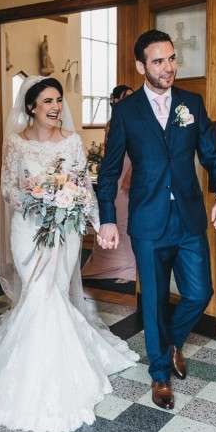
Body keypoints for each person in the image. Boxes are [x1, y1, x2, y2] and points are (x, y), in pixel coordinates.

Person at [0, 76, 139, 432]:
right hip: (28, 229)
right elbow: (8, 188)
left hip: (65, 232)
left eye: (58, 100)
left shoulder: (72, 141)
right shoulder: (16, 143)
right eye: (47, 101)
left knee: (52, 292)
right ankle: (31, 371)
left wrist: (99, 224)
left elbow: (82, 188)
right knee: (38, 292)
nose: (56, 106)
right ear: (31, 107)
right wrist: (35, 201)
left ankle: (54, 369)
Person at [97, 30, 216, 410]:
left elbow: (213, 156)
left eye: (171, 59)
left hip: (188, 217)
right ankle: (159, 374)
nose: (169, 67)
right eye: (159, 61)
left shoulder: (192, 102)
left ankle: (172, 342)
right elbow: (108, 172)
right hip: (147, 220)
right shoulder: (126, 112)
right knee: (154, 300)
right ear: (141, 66)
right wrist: (107, 218)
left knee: (199, 292)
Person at [82, 86, 136, 284]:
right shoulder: (110, 123)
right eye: (126, 97)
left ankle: (128, 267)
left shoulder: (136, 119)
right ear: (115, 100)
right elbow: (109, 149)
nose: (131, 100)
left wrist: (131, 172)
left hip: (130, 168)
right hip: (115, 169)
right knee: (113, 216)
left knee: (126, 218)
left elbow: (140, 151)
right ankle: (106, 265)